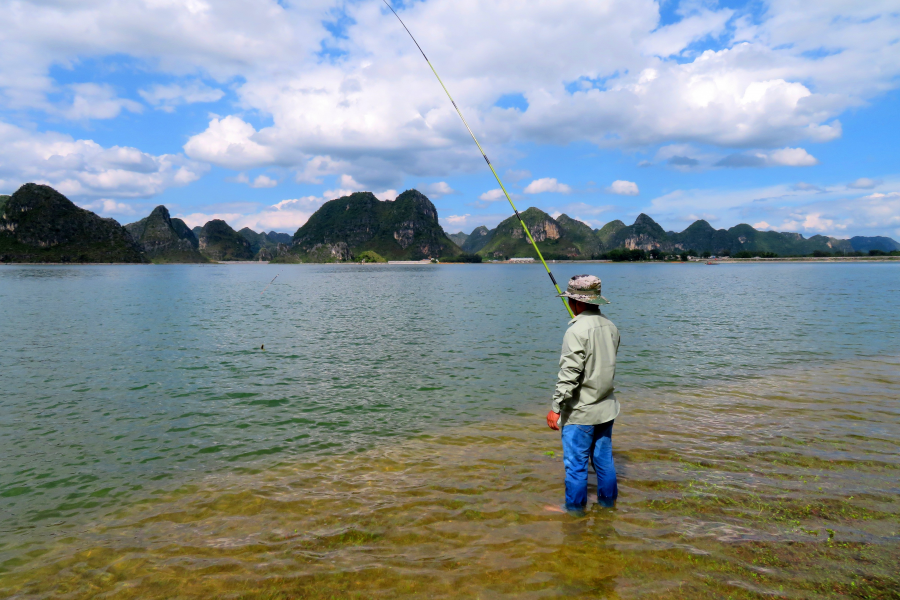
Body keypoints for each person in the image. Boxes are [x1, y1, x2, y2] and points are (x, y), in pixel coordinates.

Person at [546, 274, 620, 511]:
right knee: (604, 462)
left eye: (570, 299)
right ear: (595, 301)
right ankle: (608, 507)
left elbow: (569, 374)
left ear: (576, 303)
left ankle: (575, 513)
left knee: (576, 466)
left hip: (581, 413)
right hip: (606, 409)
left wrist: (555, 408)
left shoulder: (575, 331)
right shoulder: (611, 327)